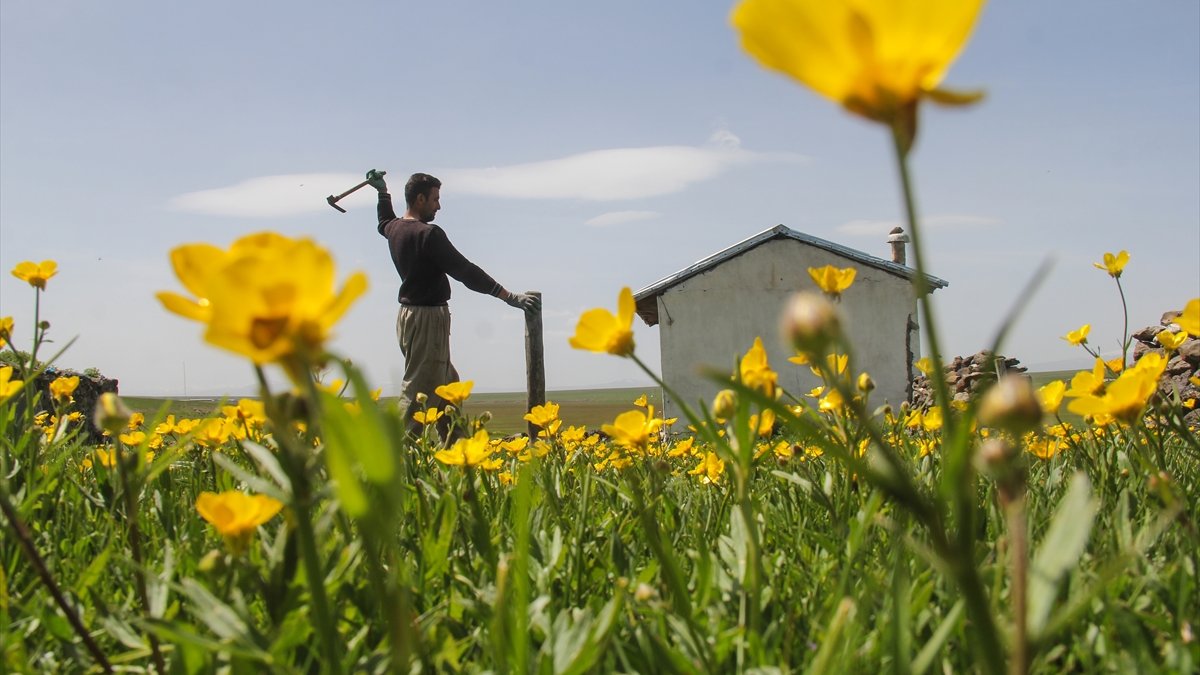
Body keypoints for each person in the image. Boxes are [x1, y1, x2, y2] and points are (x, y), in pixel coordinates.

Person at [366, 169, 540, 438]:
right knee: (417, 396)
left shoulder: (396, 229)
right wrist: (509, 297)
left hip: (408, 317)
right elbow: (465, 271)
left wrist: (382, 192)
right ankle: (398, 464)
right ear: (421, 199)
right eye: (435, 199)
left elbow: (383, 221)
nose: (439, 205)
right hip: (428, 320)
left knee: (448, 390)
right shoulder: (429, 235)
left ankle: (460, 455)